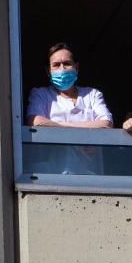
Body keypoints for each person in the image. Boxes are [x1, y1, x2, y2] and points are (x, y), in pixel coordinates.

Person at [24, 42, 115, 176]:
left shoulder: (93, 94)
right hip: (51, 177)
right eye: (56, 65)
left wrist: (57, 126)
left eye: (67, 64)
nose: (62, 69)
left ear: (76, 68)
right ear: (48, 71)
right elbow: (35, 122)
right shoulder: (40, 94)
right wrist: (84, 133)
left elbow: (106, 124)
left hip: (90, 176)